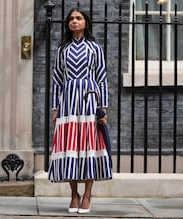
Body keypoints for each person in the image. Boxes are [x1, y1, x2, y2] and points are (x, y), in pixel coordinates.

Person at [48, 8, 112, 214]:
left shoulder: (95, 48)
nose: (74, 22)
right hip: (68, 103)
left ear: (86, 22)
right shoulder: (62, 49)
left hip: (89, 102)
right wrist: (55, 108)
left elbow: (102, 78)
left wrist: (103, 108)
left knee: (89, 146)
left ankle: (87, 195)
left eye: (79, 18)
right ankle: (74, 195)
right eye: (71, 19)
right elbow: (57, 80)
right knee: (71, 148)